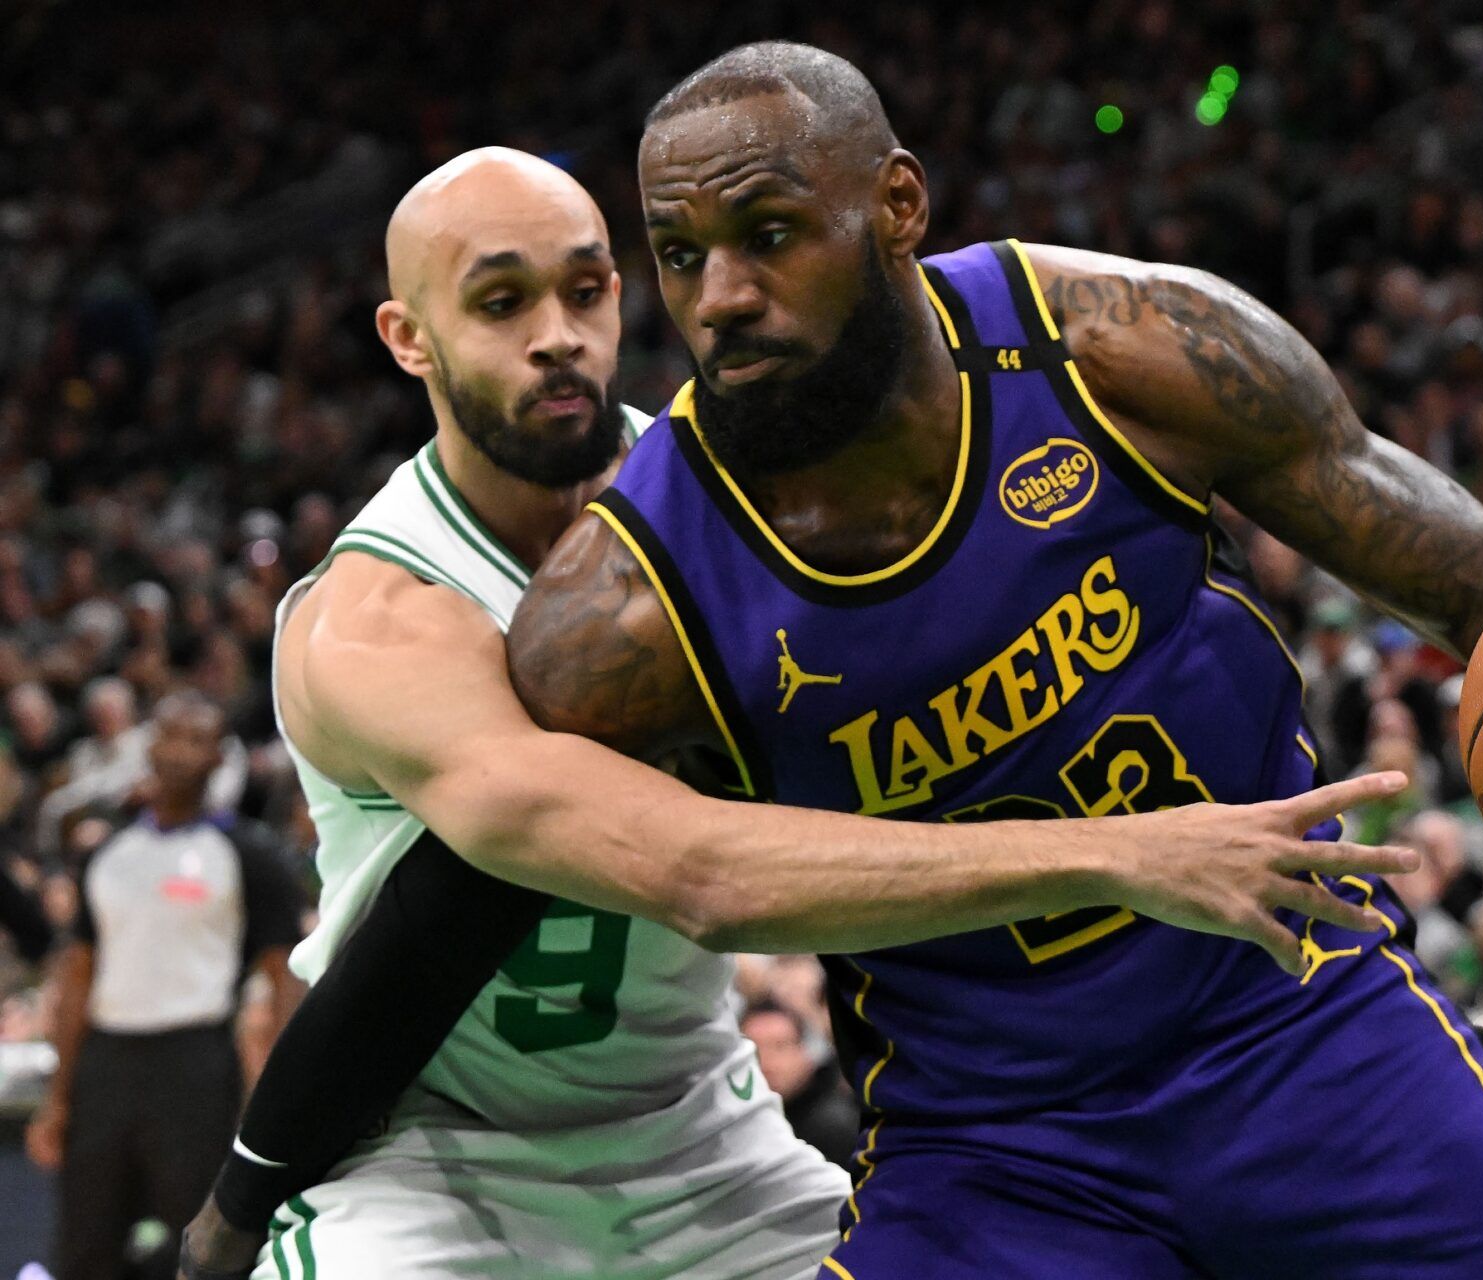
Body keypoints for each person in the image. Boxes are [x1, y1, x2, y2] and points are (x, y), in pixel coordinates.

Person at [506, 42, 1483, 1279]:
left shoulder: (1120, 350)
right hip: (992, 1144)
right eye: (683, 254)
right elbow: (505, 872)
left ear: (898, 207)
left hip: (1296, 1017)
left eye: (769, 232)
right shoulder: (627, 610)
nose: (722, 298)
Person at [179, 147, 1413, 1280]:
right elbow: (686, 871)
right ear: (409, 337)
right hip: (434, 1157)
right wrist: (1120, 852)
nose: (560, 337)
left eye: (587, 288)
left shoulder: (733, 517)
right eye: (502, 304)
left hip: (704, 1138)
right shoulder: (381, 616)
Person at [27, 693, 304, 1280]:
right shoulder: (108, 853)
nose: (178, 751)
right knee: (85, 1243)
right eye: (169, 735)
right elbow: (76, 977)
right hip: (104, 1063)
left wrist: (276, 1098)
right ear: (149, 748)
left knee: (193, 1247)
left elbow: (285, 979)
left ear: (218, 757)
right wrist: (58, 1097)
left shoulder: (250, 855)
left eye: (195, 738)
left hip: (196, 1066)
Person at [743, 1000, 861, 1170]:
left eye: (780, 1047)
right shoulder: (736, 1125)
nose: (767, 1063)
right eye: (754, 1052)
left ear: (806, 1053)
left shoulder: (836, 1128)